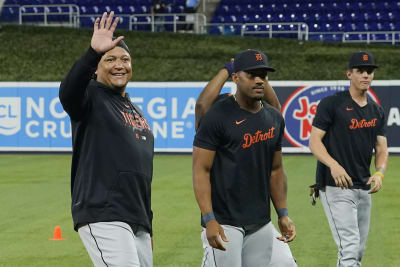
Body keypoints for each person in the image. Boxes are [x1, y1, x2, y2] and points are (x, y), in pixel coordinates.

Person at [59, 11, 154, 267]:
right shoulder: (90, 96)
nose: (119, 64)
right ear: (96, 70)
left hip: (137, 218)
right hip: (103, 212)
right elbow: (68, 92)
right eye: (109, 59)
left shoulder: (135, 111)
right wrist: (92, 52)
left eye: (125, 59)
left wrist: (148, 224)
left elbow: (141, 172)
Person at [193, 49, 297, 267]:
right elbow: (201, 170)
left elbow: (276, 169)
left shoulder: (273, 118)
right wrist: (209, 218)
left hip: (260, 221)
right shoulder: (217, 116)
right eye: (252, 75)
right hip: (225, 220)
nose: (259, 80)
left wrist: (283, 213)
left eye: (263, 75)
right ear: (236, 78)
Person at [309, 51, 388, 267]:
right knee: (350, 247)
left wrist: (379, 171)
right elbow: (314, 141)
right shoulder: (332, 104)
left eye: (369, 71)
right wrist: (333, 165)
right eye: (360, 71)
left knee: (358, 249)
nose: (365, 75)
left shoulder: (376, 110)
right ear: (349, 74)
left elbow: (381, 148)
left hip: (364, 186)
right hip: (336, 186)